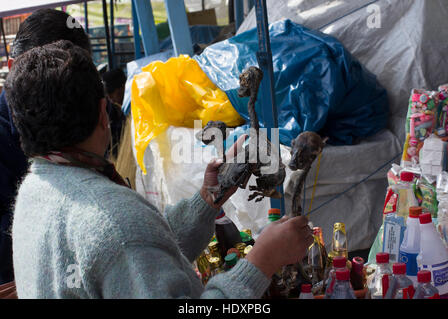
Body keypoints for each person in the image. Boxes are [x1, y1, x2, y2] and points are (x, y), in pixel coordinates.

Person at [5, 40, 313, 298]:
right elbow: (126, 243)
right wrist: (261, 262)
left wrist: (206, 200)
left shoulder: (34, 193)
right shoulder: (112, 220)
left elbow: (138, 255)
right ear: (103, 112)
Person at [0, 8, 91, 285]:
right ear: (14, 67)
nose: (59, 94)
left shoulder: (81, 114)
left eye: (74, 82)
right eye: (40, 74)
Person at [101, 68, 126, 158]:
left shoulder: (132, 109)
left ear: (123, 88)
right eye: (108, 94)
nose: (110, 97)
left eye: (112, 92)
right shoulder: (107, 110)